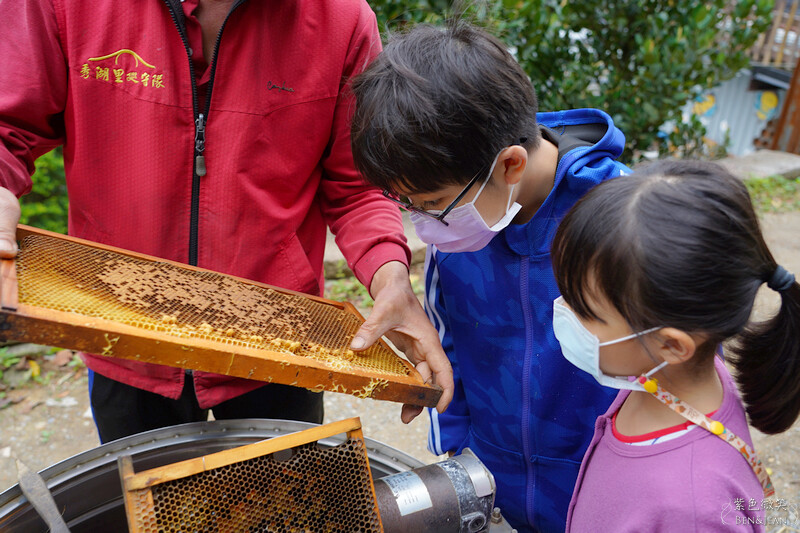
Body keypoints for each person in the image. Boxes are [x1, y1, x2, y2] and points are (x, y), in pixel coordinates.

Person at [0, 0, 453, 444]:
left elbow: (356, 184)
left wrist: (390, 276)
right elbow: (8, 128)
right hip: (118, 326)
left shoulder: (342, 19)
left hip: (281, 341)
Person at [349, 20, 629, 532]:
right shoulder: (462, 233)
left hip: (602, 499)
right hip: (493, 486)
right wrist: (457, 452)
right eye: (407, 205)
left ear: (510, 165)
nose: (423, 227)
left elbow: (678, 373)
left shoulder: (625, 225)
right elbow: (446, 347)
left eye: (431, 204)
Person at [550, 160, 800, 532]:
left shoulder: (692, 509)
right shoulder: (657, 380)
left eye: (583, 309)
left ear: (672, 345)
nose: (561, 311)